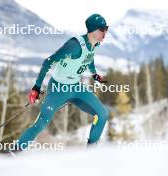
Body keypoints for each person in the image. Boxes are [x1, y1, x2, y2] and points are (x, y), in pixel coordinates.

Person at [16, 14, 109, 151]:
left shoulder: (94, 44)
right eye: (102, 29)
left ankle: (90, 153)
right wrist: (36, 87)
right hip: (58, 89)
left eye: (106, 28)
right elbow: (48, 61)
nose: (105, 32)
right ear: (92, 30)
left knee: (102, 114)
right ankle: (14, 151)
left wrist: (94, 74)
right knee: (41, 124)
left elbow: (89, 58)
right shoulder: (74, 46)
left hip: (76, 88)